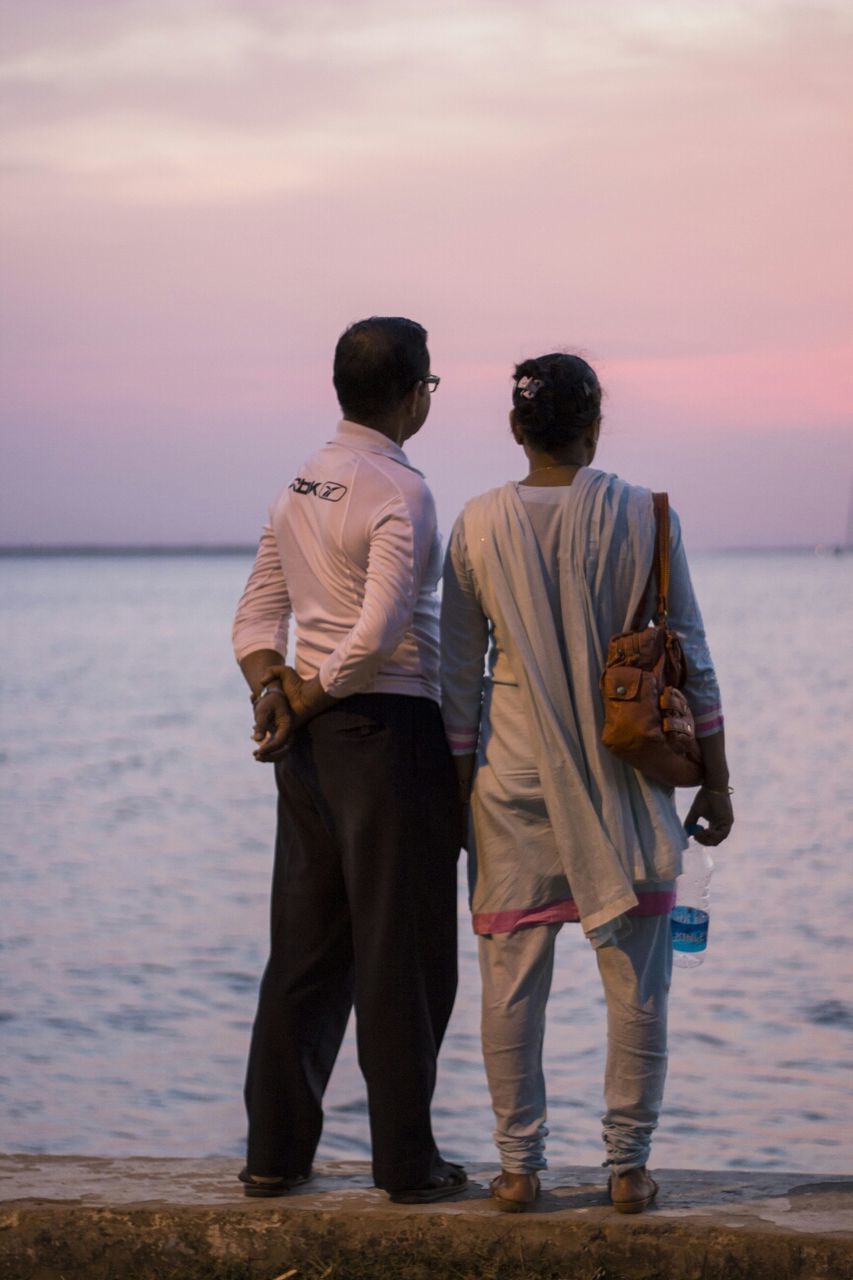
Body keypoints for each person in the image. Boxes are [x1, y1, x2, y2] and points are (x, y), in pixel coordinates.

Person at [440, 352, 733, 1214]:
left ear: (514, 429)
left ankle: (517, 1169)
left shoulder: (476, 524)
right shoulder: (643, 516)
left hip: (512, 778)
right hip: (623, 773)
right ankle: (627, 1169)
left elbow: (459, 681)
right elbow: (695, 660)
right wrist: (715, 783)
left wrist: (461, 798)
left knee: (510, 979)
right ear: (595, 424)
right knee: (637, 985)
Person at [231, 316, 465, 1203]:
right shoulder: (399, 489)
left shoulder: (301, 484)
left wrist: (273, 694)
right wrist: (304, 695)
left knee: (307, 951)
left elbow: (256, 614)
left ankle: (273, 1155)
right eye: (430, 386)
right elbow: (380, 633)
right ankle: (408, 1165)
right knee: (401, 956)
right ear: (413, 394)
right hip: (387, 735)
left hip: (312, 747)